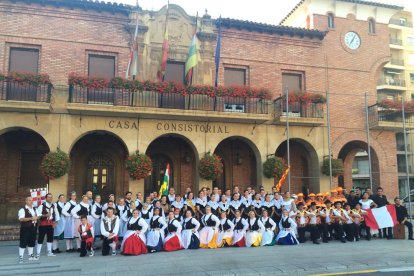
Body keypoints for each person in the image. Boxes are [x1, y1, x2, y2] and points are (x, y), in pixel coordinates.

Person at [36, 193, 60, 258]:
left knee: (50, 238)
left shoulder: (53, 205)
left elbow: (57, 214)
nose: (50, 198)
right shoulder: (41, 206)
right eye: (49, 197)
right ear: (46, 198)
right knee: (41, 238)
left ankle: (49, 251)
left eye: (51, 197)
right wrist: (45, 215)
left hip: (50, 224)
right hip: (43, 224)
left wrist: (56, 222)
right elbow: (38, 215)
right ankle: (38, 253)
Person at [18, 197, 38, 263]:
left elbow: (38, 216)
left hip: (33, 227)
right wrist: (31, 218)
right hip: (25, 228)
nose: (31, 201)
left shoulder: (35, 208)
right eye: (29, 200)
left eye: (32, 200)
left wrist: (37, 217)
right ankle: (21, 257)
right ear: (26, 201)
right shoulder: (22, 209)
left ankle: (31, 256)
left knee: (31, 242)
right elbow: (21, 219)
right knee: (23, 242)